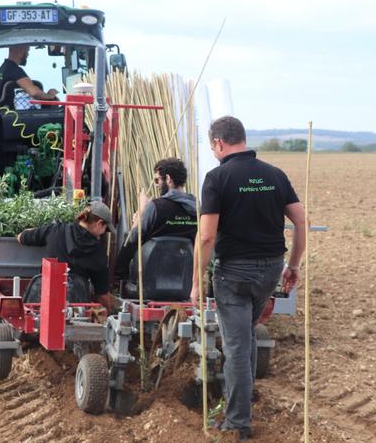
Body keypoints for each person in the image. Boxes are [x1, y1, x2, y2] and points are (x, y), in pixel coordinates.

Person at [191, 116, 306, 440]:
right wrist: (293, 265)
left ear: (218, 143)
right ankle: (246, 394)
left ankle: (237, 422)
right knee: (249, 333)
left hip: (234, 274)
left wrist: (197, 282)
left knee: (237, 345)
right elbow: (301, 221)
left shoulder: (216, 178)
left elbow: (207, 238)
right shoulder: (274, 174)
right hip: (270, 269)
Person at [17, 201, 114, 313]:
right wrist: (109, 312)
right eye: (106, 229)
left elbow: (21, 237)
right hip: (76, 310)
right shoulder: (98, 252)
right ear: (99, 223)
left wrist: (34, 230)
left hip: (40, 299)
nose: (103, 233)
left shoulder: (55, 230)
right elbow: (102, 294)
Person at [115, 158, 197, 277]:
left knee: (129, 239)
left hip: (153, 276)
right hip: (186, 276)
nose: (156, 185)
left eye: (157, 180)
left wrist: (141, 213)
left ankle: (118, 281)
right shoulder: (198, 208)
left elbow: (133, 238)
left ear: (168, 179)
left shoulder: (155, 207)